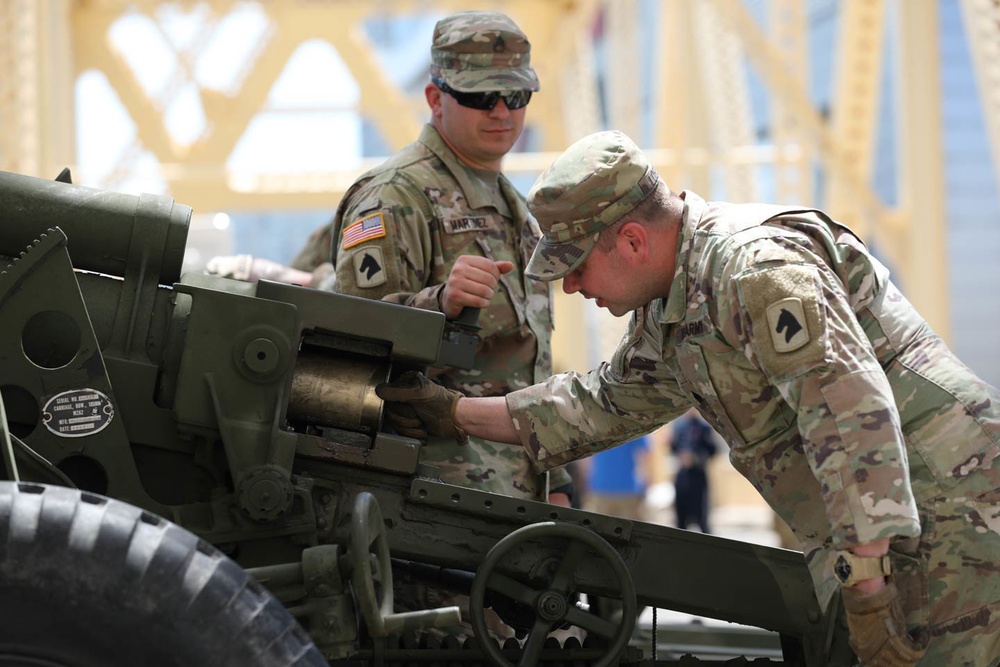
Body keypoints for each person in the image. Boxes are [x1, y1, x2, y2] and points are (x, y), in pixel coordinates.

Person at [374, 129, 1000, 666]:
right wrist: (451, 412)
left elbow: (849, 412)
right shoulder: (673, 315)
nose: (568, 286)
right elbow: (597, 405)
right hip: (893, 536)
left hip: (951, 518)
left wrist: (867, 587)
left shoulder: (754, 270)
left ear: (632, 242)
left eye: (576, 264)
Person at [669, 408, 717, 533]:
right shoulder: (679, 426)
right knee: (681, 517)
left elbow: (712, 451)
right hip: (682, 476)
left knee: (701, 516)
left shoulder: (704, 427)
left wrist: (695, 459)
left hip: (698, 476)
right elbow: (674, 448)